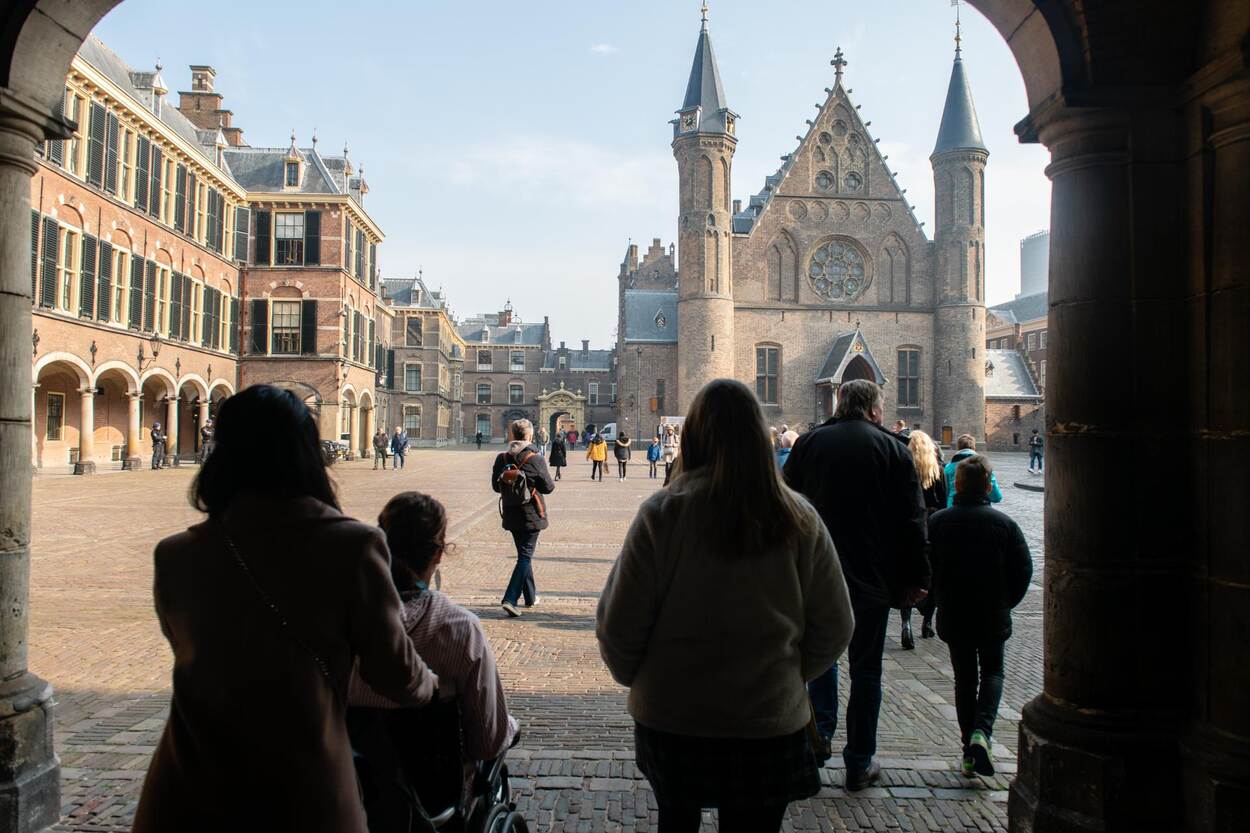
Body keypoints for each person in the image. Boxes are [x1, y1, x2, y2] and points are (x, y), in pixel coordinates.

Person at [132, 385, 438, 833]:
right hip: (301, 790)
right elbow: (394, 673)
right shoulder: (354, 547)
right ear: (307, 453)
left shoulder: (175, 555)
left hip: (187, 793)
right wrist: (432, 685)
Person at [597, 379, 854, 833]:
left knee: (676, 822)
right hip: (768, 725)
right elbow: (835, 625)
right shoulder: (799, 518)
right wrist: (787, 678)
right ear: (760, 438)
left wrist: (644, 682)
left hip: (673, 721)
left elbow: (618, 627)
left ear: (693, 436)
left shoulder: (662, 514)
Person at [782, 379, 927, 790]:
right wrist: (917, 578)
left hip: (815, 577)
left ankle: (818, 740)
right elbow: (913, 522)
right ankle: (859, 762)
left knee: (818, 663)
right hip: (872, 582)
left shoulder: (809, 445)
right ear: (875, 410)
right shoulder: (894, 450)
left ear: (840, 403)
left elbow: (786, 506)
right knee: (867, 673)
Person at [349, 492, 518, 775]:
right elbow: (488, 740)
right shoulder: (460, 628)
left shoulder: (344, 621)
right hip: (435, 789)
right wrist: (512, 727)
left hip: (357, 784)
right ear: (439, 553)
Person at [929, 455, 1032, 778]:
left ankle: (967, 751)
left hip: (954, 612)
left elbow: (928, 568)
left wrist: (936, 599)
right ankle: (981, 734)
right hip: (991, 613)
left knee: (964, 679)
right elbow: (1023, 570)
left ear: (956, 484)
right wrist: (1006, 601)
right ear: (988, 485)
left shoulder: (939, 522)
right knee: (992, 674)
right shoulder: (1004, 525)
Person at [492, 419, 555, 617]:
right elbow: (548, 487)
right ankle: (510, 599)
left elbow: (496, 487)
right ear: (529, 436)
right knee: (525, 557)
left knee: (523, 556)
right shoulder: (535, 458)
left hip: (510, 513)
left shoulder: (501, 458)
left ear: (513, 435)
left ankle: (530, 597)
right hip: (531, 514)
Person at [899, 430, 948, 648]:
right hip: (933, 526)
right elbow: (944, 501)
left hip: (909, 527)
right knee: (932, 574)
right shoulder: (938, 470)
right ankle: (927, 622)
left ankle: (906, 623)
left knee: (907, 574)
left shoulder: (902, 467)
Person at [943, 435, 1003, 506]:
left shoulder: (948, 468)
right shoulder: (984, 466)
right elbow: (996, 497)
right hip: (981, 509)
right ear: (974, 447)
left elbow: (944, 493)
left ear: (958, 448)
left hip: (953, 508)